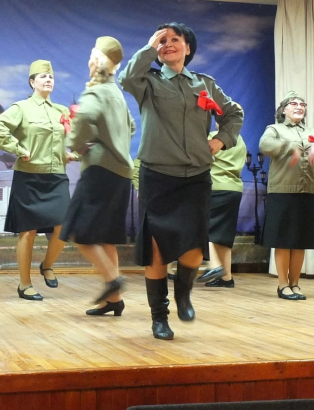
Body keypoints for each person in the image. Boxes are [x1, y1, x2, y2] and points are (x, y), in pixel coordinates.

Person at [119, 23, 243, 340]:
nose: (168, 44)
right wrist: (149, 48)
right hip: (158, 176)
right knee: (156, 251)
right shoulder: (148, 81)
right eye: (163, 40)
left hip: (196, 176)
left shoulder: (205, 84)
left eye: (175, 39)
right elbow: (127, 78)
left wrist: (221, 140)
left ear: (188, 48)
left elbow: (233, 113)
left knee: (193, 248)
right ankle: (159, 317)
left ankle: (183, 293)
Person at [0, 60, 77, 301]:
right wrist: (18, 149)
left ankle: (47, 265)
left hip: (56, 176)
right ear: (32, 82)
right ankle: (24, 284)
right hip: (29, 176)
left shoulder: (61, 111)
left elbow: (71, 139)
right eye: (43, 76)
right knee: (28, 232)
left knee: (64, 225)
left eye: (51, 77)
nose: (48, 80)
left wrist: (70, 153)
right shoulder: (22, 108)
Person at [60, 36, 134, 316]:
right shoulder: (117, 94)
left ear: (97, 61)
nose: (89, 60)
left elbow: (83, 122)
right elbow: (130, 128)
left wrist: (75, 146)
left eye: (92, 55)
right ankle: (113, 299)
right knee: (106, 237)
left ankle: (113, 280)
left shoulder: (96, 92)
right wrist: (112, 141)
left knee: (80, 231)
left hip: (100, 170)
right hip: (122, 171)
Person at [259, 91, 314, 301]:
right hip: (282, 191)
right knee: (283, 241)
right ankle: (283, 285)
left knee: (300, 241)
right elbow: (264, 145)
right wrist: (288, 147)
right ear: (283, 110)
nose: (299, 107)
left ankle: (295, 284)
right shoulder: (275, 129)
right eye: (293, 103)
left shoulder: (313, 132)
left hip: (306, 191)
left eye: (302, 104)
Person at [198, 126, 247, 288]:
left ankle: (214, 265)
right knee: (224, 236)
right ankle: (227, 277)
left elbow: (199, 159)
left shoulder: (212, 137)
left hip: (215, 187)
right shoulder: (240, 140)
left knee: (205, 230)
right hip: (234, 189)